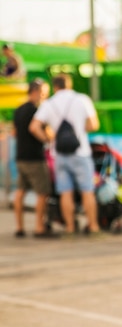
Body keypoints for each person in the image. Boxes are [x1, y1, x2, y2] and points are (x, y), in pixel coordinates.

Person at [29, 74, 101, 235]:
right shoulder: (82, 99)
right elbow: (94, 125)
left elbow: (34, 127)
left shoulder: (49, 103)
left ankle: (69, 228)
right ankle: (93, 226)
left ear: (55, 87)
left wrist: (48, 139)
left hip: (59, 154)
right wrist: (79, 130)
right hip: (81, 151)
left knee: (65, 192)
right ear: (70, 84)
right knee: (87, 190)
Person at [12, 79, 54, 238]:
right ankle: (39, 227)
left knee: (20, 192)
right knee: (43, 192)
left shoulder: (19, 110)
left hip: (20, 156)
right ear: (36, 91)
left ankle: (19, 227)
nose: (45, 96)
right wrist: (47, 139)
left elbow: (15, 133)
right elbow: (37, 129)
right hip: (35, 158)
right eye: (44, 93)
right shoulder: (37, 110)